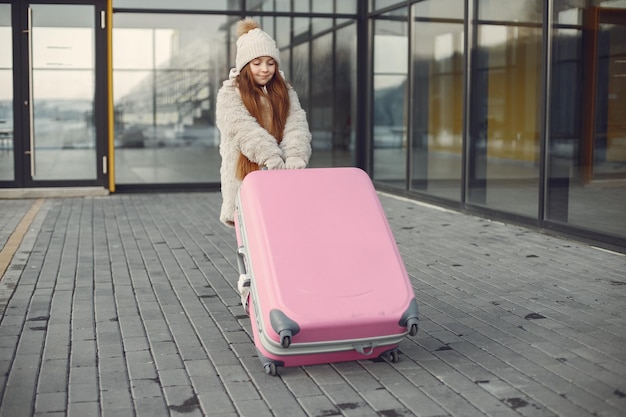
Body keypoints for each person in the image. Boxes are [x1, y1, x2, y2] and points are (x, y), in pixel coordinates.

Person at [216, 18, 312, 309]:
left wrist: (294, 156)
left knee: (283, 241)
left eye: (270, 62)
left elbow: (297, 125)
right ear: (246, 65)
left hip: (282, 177)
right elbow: (241, 129)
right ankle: (251, 291)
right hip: (246, 178)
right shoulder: (229, 95)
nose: (265, 69)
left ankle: (285, 293)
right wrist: (270, 156)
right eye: (257, 62)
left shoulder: (285, 92)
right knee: (252, 245)